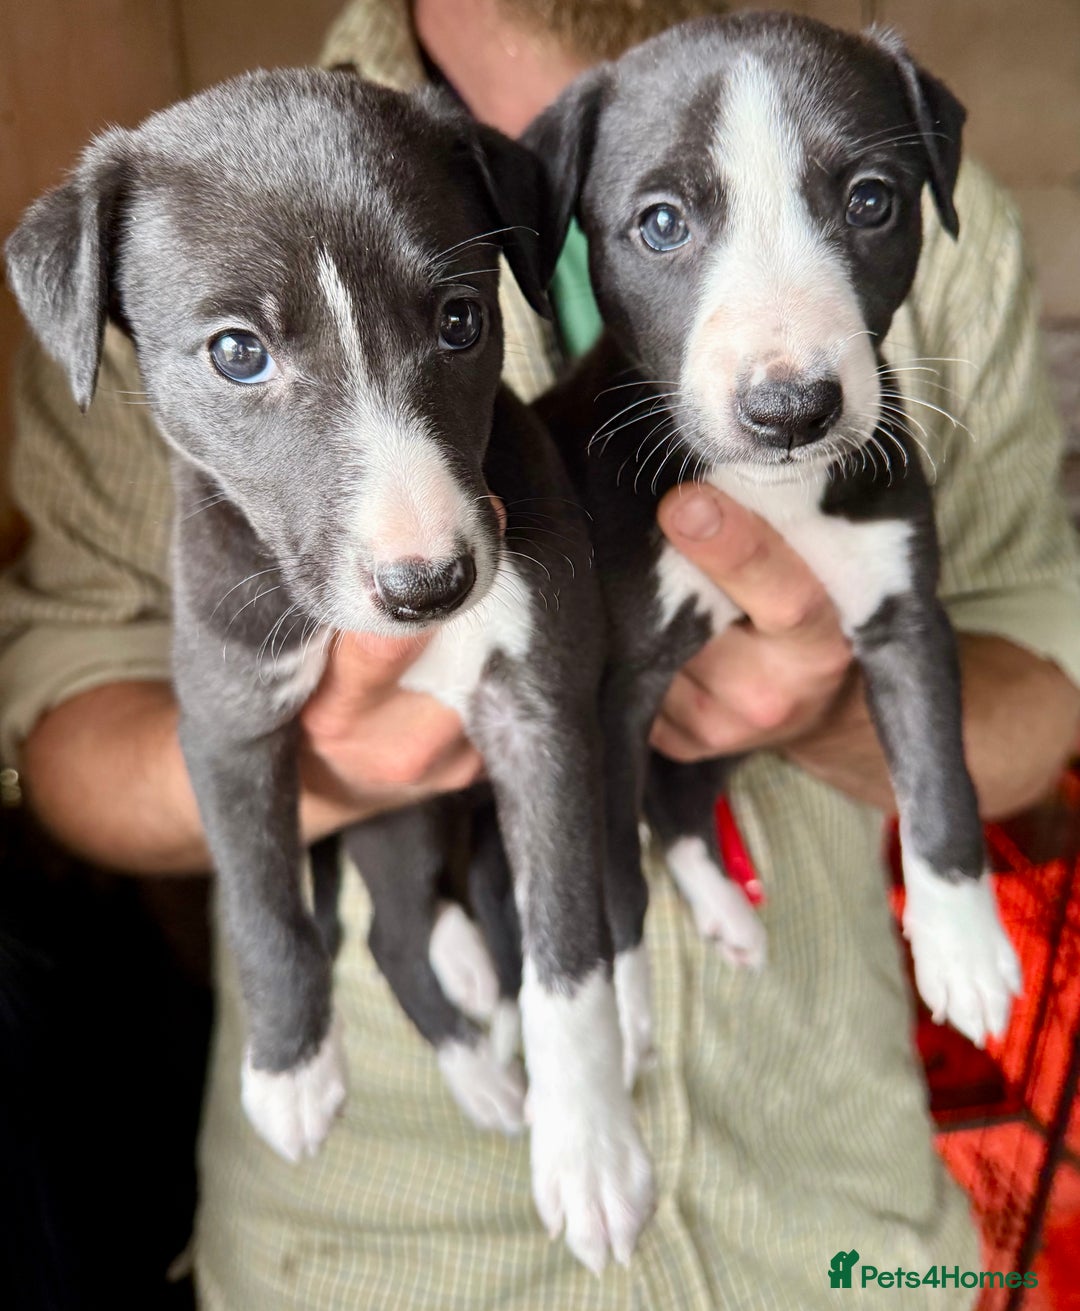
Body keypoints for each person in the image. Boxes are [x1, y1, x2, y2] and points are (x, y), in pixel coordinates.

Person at [1, 0, 1078, 1305]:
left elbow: (1043, 657)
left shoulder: (876, 124)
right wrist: (342, 765)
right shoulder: (190, 204)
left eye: (458, 323)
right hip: (375, 1244)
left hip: (844, 1242)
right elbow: (57, 712)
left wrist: (816, 708)